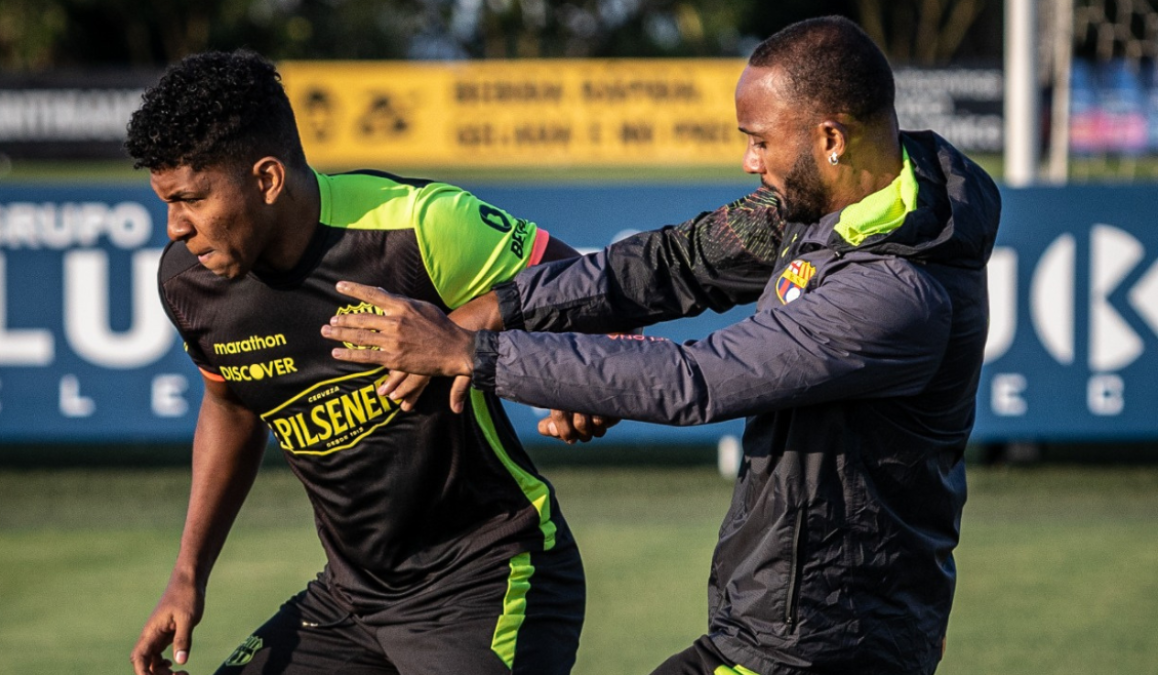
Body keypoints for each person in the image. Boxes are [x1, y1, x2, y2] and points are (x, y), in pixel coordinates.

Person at [321, 16, 1001, 675]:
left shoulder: (898, 292)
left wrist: (472, 355)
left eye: (759, 141)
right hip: (784, 629)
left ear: (830, 139)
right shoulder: (827, 209)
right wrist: (505, 305)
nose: (748, 161)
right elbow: (672, 263)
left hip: (826, 644)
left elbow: (695, 381)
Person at [125, 49, 594, 675]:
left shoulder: (421, 226)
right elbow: (230, 408)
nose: (175, 227)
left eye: (190, 199)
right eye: (165, 202)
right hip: (349, 601)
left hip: (490, 577)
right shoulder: (188, 283)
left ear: (267, 180)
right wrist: (187, 577)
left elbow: (598, 288)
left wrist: (577, 380)